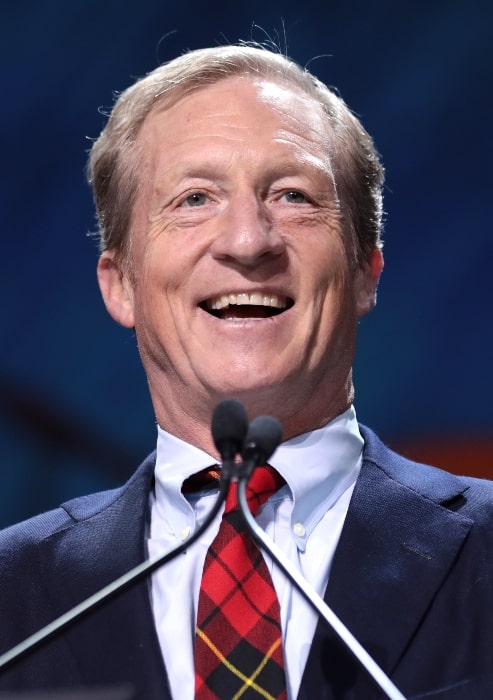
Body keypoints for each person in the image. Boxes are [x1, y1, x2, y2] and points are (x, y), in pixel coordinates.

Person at [0, 43, 492, 700]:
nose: (247, 241)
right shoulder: (13, 595)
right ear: (121, 286)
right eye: (194, 198)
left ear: (364, 274)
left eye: (292, 195)